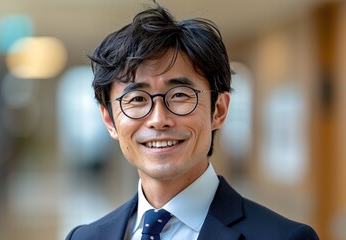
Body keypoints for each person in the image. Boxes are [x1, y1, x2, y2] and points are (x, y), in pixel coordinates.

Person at [66, 1, 319, 239]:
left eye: (178, 95)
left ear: (218, 110)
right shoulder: (84, 237)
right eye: (137, 99)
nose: (158, 119)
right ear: (109, 120)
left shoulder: (285, 237)